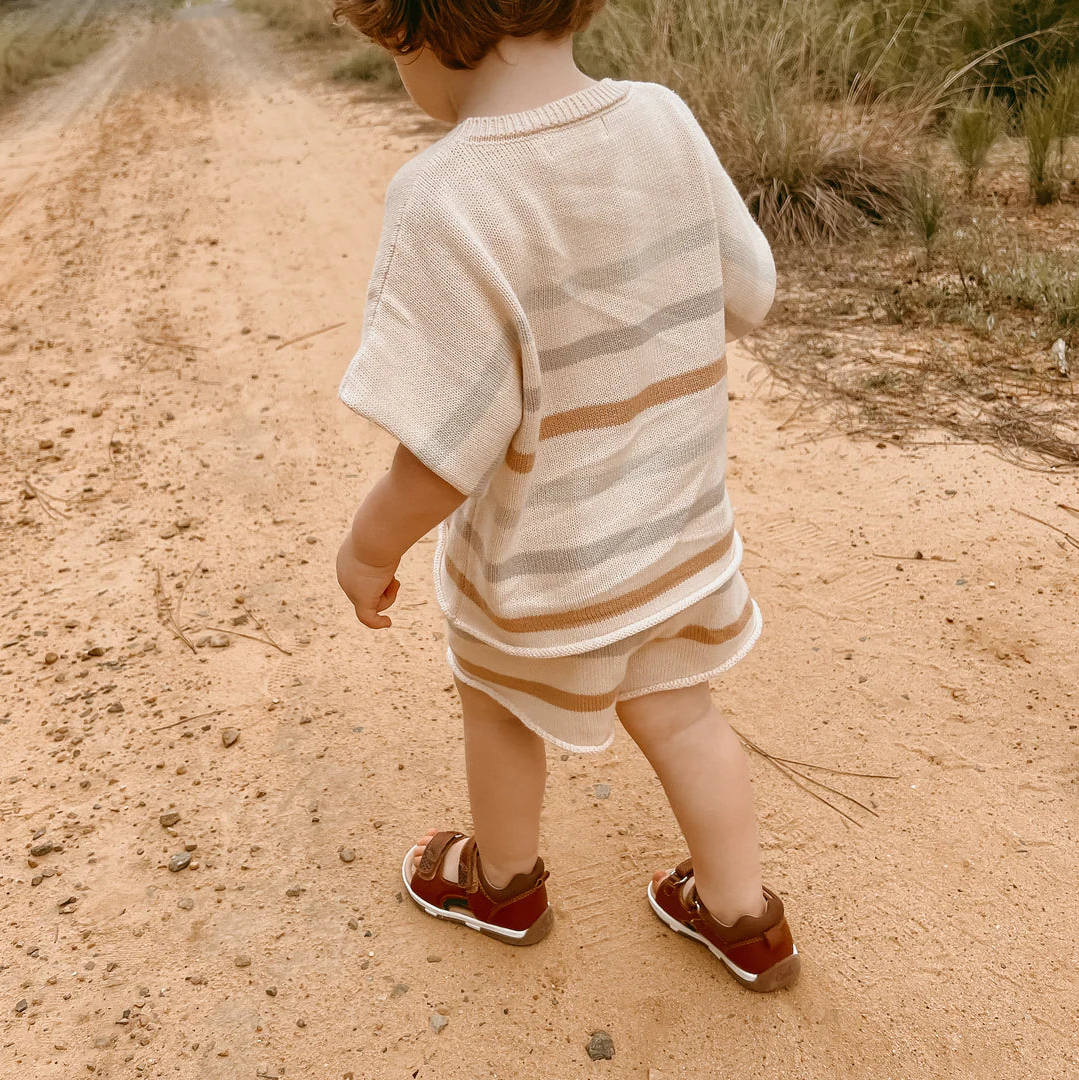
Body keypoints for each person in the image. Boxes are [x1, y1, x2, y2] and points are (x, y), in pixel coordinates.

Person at [332, 0, 800, 992]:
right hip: (676, 539)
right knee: (682, 715)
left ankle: (503, 885)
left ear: (417, 26)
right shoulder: (663, 118)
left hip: (539, 573)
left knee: (499, 704)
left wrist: (369, 550)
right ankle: (744, 918)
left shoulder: (444, 196)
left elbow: (441, 449)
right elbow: (748, 289)